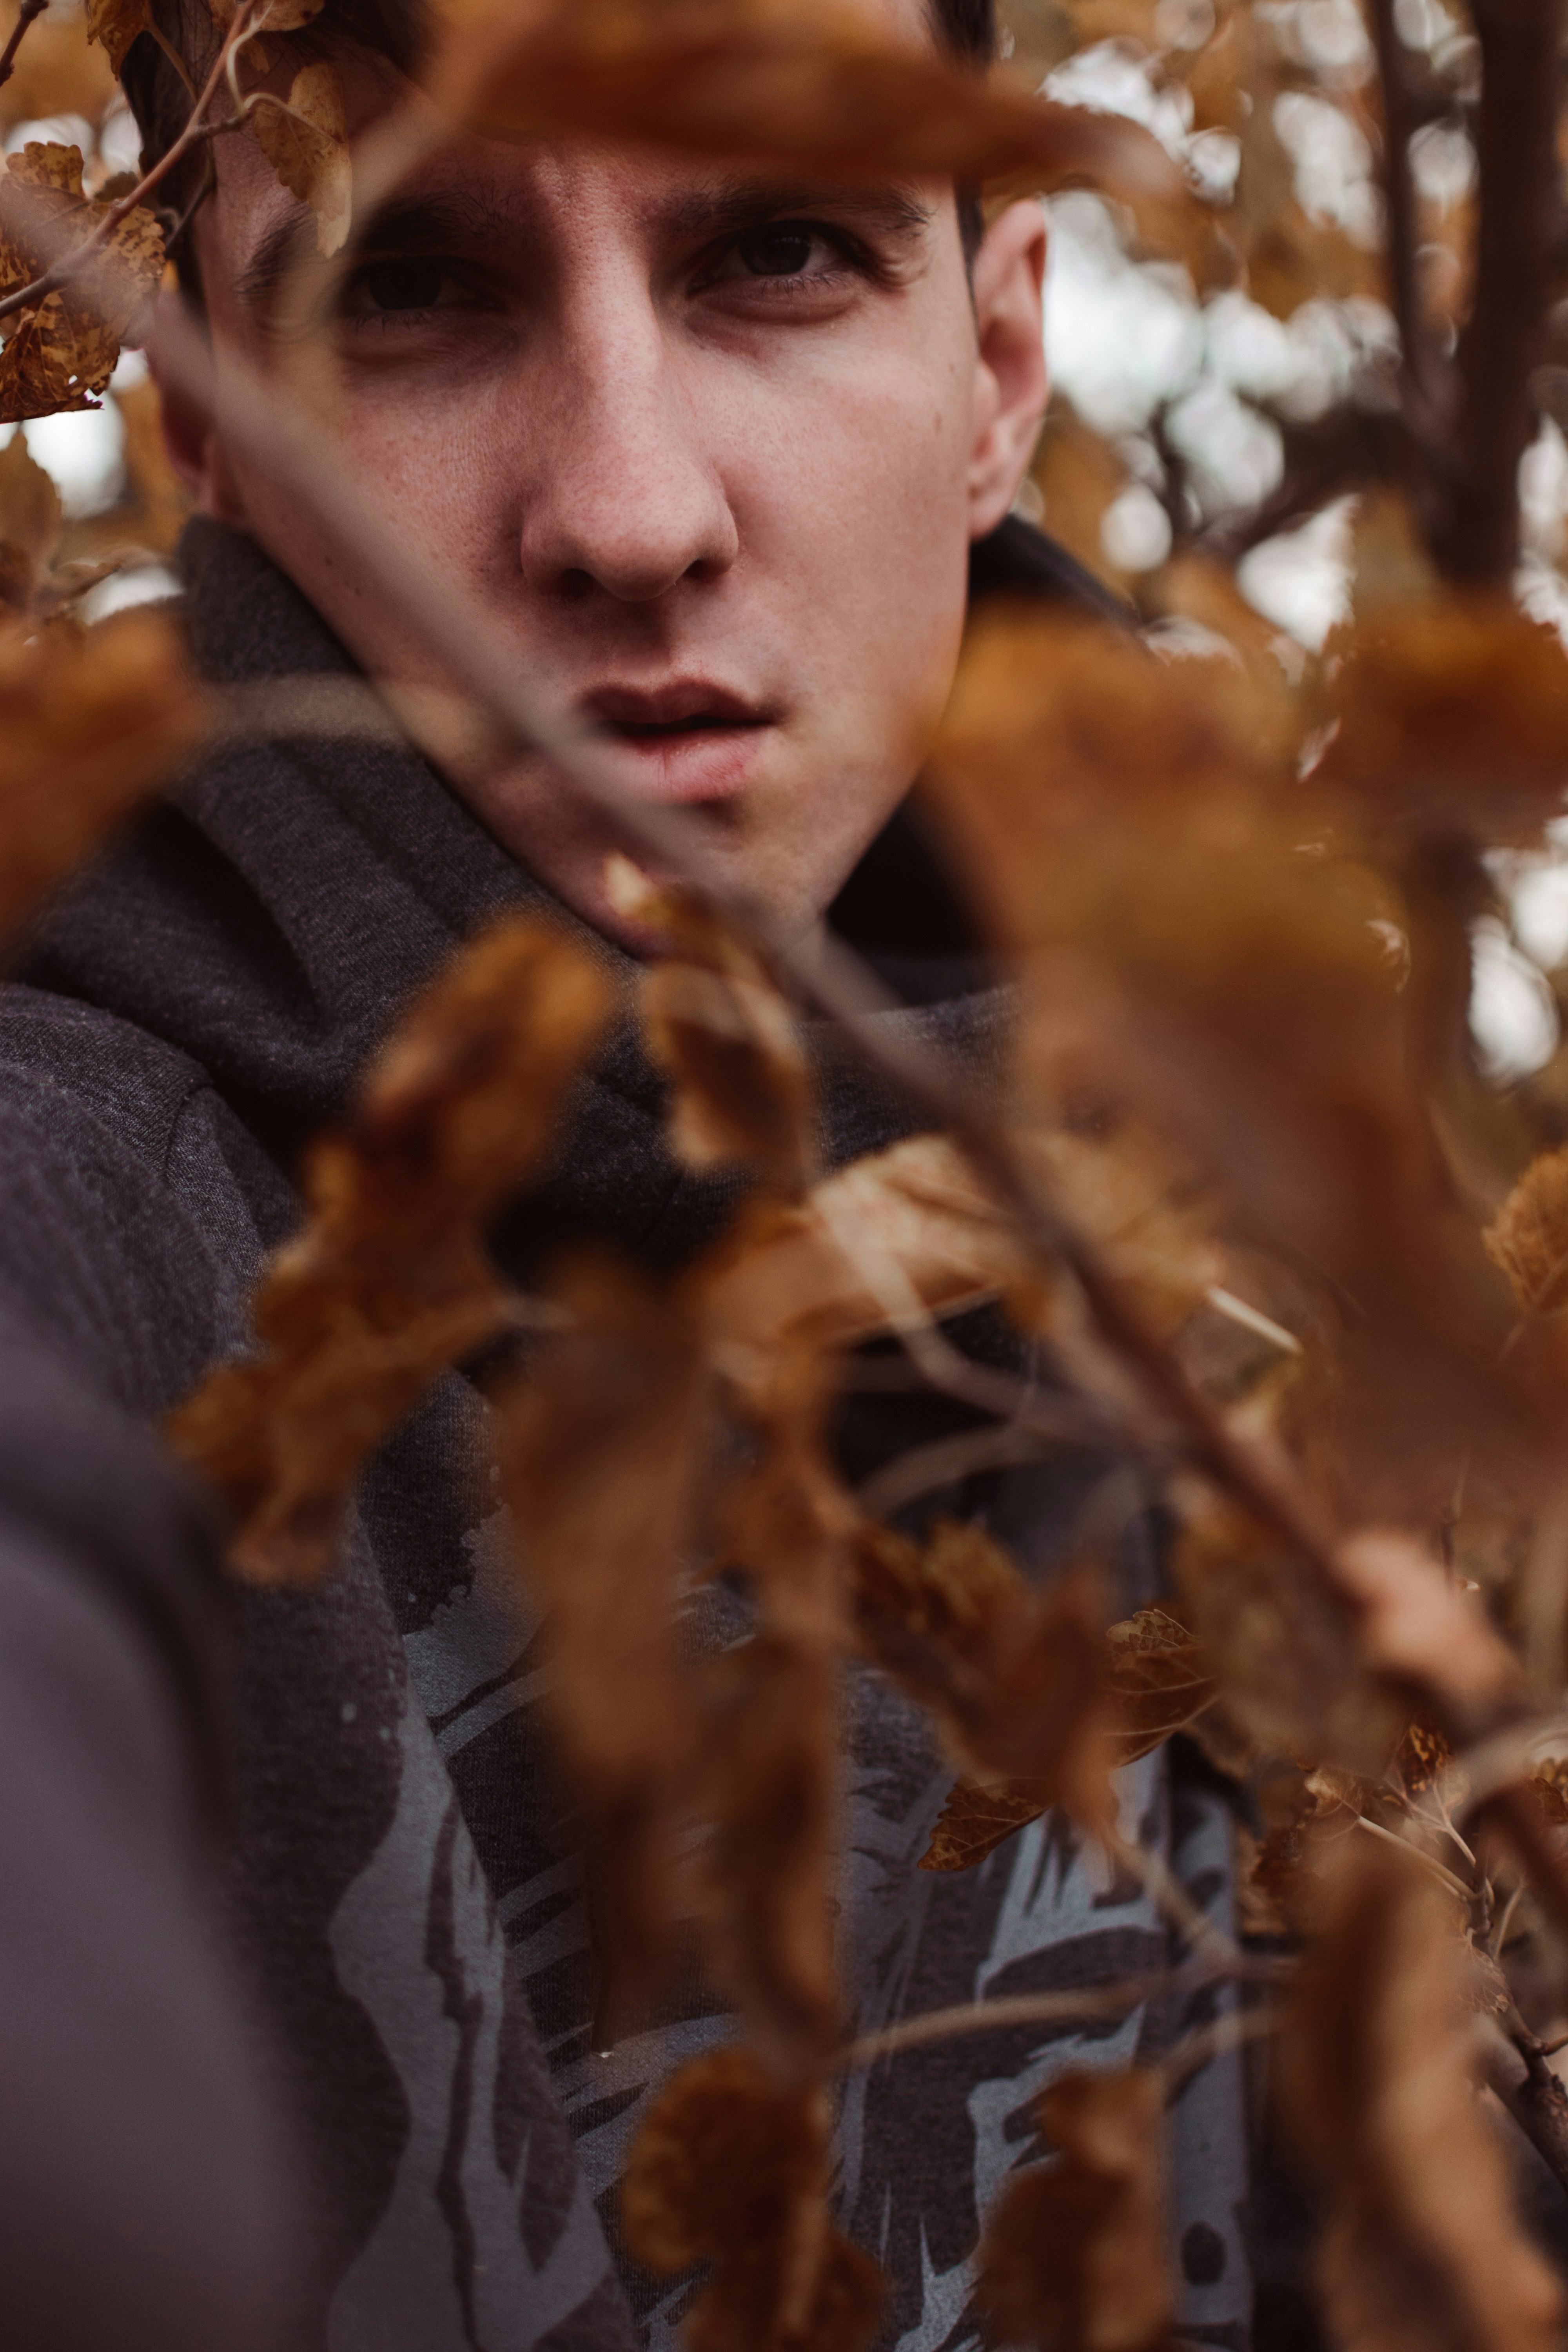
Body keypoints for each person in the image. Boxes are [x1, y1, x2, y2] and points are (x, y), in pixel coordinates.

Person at [0, 0, 1256, 2343]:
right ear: (206, 433)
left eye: (778, 249)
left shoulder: (1280, 1323)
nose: (629, 515)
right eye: (404, 283)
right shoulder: (70, 1204)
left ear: (997, 377)